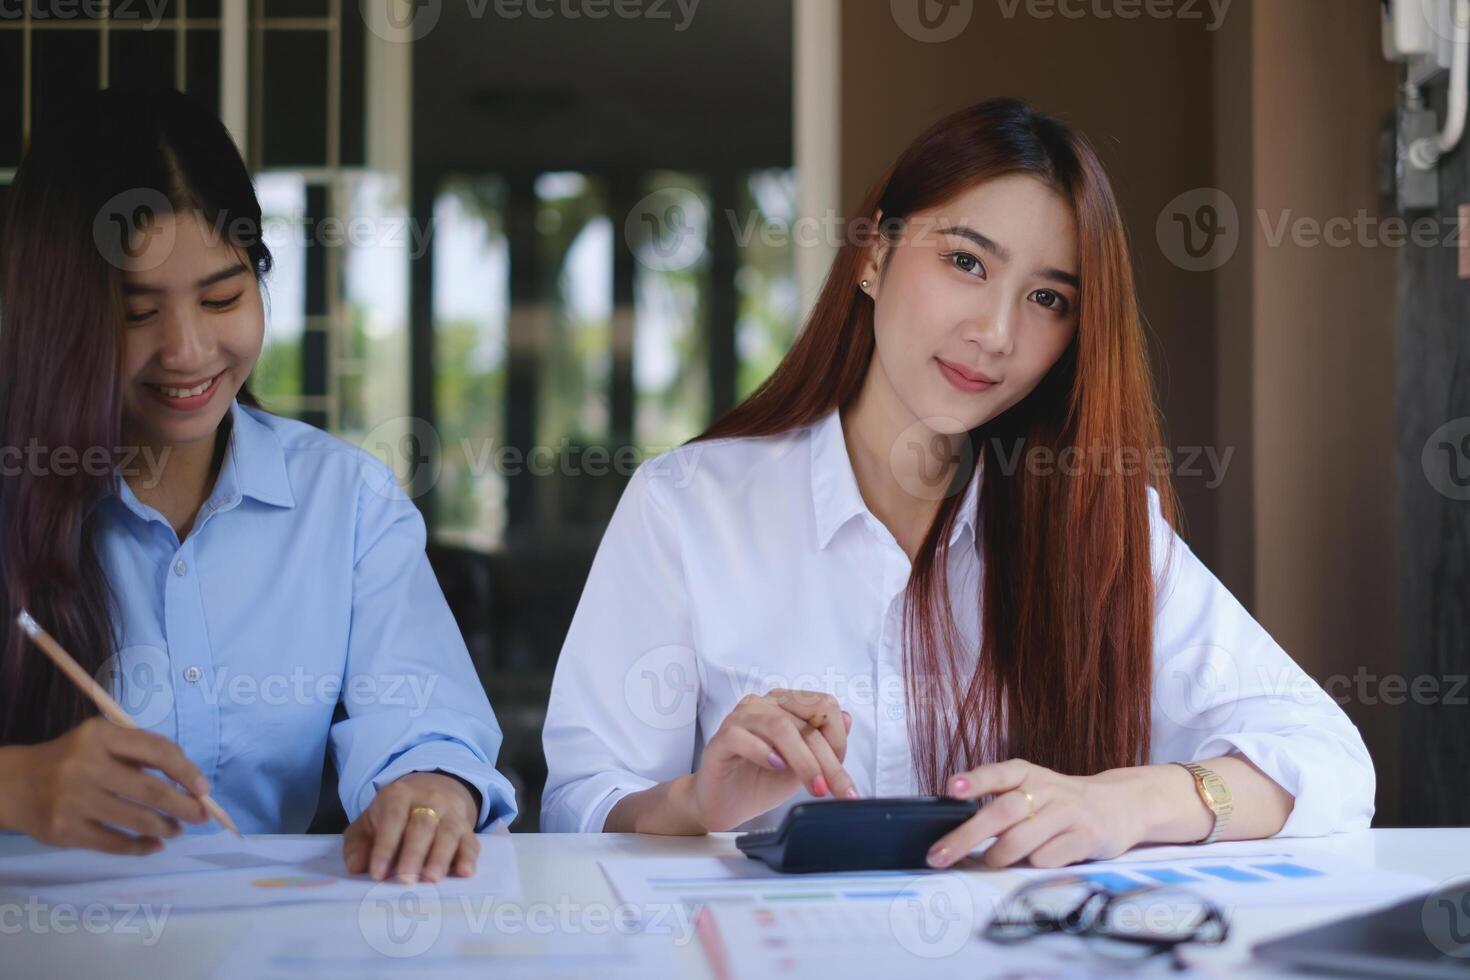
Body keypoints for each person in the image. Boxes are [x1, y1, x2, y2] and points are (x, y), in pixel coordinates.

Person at [540, 98, 1375, 868]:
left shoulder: (1099, 522)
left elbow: (1332, 762)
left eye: (1048, 297)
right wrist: (695, 804)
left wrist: (1126, 802)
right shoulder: (689, 507)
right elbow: (578, 807)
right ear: (872, 254)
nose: (997, 333)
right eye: (967, 263)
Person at [0, 89, 516, 885]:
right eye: (136, 312)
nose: (188, 350)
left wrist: (428, 791)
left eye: (223, 297)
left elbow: (424, 721)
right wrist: (18, 787)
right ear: (58, 314)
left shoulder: (345, 504)